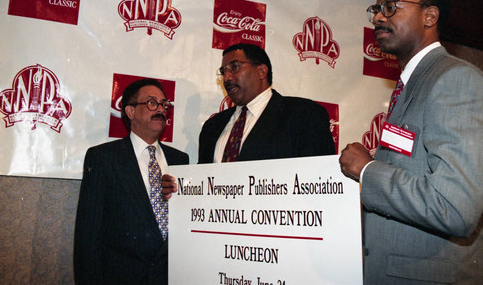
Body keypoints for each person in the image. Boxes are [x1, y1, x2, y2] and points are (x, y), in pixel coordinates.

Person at [339, 0, 483, 283]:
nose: (378, 17)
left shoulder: (454, 79)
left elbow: (455, 207)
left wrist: (367, 171)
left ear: (429, 16)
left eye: (390, 7)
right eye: (376, 10)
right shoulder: (411, 84)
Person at [74, 78, 188, 284]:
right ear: (130, 112)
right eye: (152, 103)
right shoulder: (103, 158)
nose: (160, 109)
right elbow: (88, 235)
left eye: (164, 104)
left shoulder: (181, 160)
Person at [199, 43, 335, 163]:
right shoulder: (212, 127)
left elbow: (319, 179)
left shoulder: (304, 115)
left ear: (261, 71)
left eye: (234, 67)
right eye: (223, 72)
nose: (226, 77)